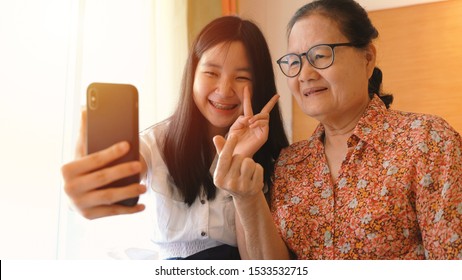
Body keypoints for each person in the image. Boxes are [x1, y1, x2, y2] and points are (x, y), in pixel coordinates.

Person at [212, 0, 462, 259]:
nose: (304, 74)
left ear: (367, 59)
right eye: (294, 62)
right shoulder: (289, 165)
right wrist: (245, 193)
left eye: (319, 55)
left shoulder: (428, 141)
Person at [61, 16, 289, 260]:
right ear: (192, 74)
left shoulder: (280, 160)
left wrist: (241, 163)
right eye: (211, 72)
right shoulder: (155, 143)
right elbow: (124, 173)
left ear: (260, 84)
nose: (224, 90)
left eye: (241, 78)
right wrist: (87, 191)